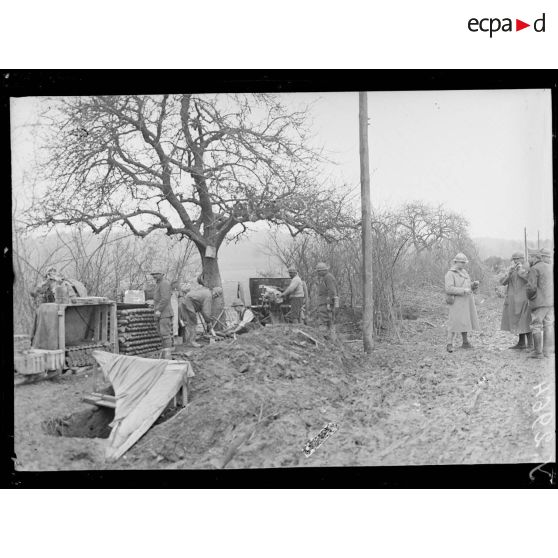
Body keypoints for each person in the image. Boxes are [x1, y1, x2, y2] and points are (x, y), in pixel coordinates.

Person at [444, 253, 480, 352]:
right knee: (453, 322)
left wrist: (473, 285)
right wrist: (463, 290)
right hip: (456, 301)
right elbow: (449, 289)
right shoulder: (450, 274)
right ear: (455, 262)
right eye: (462, 262)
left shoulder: (464, 272)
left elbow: (468, 286)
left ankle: (465, 342)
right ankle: (449, 344)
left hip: (466, 300)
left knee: (465, 321)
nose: (464, 264)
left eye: (464, 263)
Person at [499, 252, 533, 350]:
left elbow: (530, 280)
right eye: (514, 259)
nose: (515, 261)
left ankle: (530, 345)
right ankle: (521, 343)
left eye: (517, 259)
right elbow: (502, 282)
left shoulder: (527, 267)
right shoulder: (512, 268)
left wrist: (521, 271)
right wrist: (509, 274)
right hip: (513, 300)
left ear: (523, 258)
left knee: (526, 321)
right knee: (518, 321)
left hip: (524, 299)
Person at [526, 250, 554, 359]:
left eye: (530, 257)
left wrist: (530, 297)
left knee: (536, 326)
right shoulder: (549, 267)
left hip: (539, 303)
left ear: (534, 257)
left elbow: (531, 287)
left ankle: (538, 353)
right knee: (548, 325)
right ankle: (547, 352)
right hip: (550, 302)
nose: (529, 260)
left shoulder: (534, 269)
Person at [150, 271, 174, 350]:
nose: (154, 276)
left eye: (156, 274)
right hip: (161, 313)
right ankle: (165, 352)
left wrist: (158, 310)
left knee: (165, 334)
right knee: (161, 334)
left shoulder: (164, 283)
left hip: (165, 313)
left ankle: (168, 355)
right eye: (153, 274)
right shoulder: (159, 284)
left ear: (162, 274)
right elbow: (159, 298)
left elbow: (165, 298)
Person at [315, 262, 338, 334]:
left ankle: (324, 336)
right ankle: (329, 338)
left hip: (326, 303)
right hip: (324, 303)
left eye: (319, 271)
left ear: (323, 270)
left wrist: (328, 303)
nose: (318, 273)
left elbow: (332, 291)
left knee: (324, 320)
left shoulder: (328, 277)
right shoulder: (326, 277)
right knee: (328, 321)